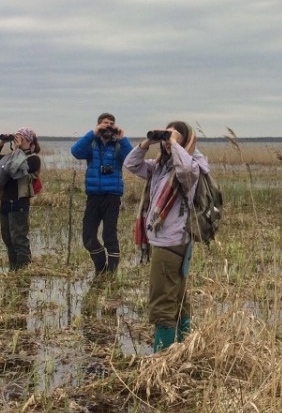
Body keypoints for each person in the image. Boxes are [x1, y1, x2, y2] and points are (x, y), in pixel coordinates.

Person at [124, 121, 208, 352]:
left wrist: (174, 143)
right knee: (178, 297)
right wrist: (147, 142)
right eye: (166, 133)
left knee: (162, 302)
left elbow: (186, 170)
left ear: (186, 141)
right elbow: (130, 164)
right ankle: (182, 347)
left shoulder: (193, 167)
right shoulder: (159, 166)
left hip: (171, 242)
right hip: (168, 241)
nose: (167, 139)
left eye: (175, 135)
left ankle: (162, 357)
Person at [70, 113, 134, 277]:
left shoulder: (118, 145)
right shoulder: (92, 144)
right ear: (98, 125)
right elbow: (76, 152)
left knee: (109, 235)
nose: (108, 126)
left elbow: (132, 160)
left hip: (112, 196)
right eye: (105, 123)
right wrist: (94, 133)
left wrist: (122, 138)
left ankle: (111, 274)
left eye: (111, 123)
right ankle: (101, 269)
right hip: (93, 195)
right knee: (88, 236)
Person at [0, 128, 41, 271]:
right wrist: (2, 141)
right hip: (5, 201)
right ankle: (14, 269)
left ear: (31, 143)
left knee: (18, 238)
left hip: (19, 202)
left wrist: (17, 150)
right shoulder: (13, 156)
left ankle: (24, 269)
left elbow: (15, 169)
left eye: (22, 140)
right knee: (7, 238)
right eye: (17, 139)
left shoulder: (33, 159)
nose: (18, 142)